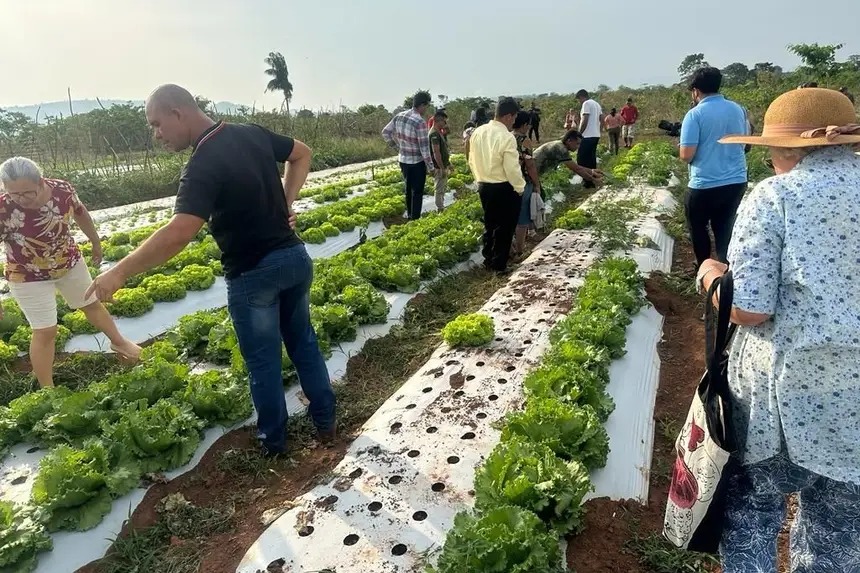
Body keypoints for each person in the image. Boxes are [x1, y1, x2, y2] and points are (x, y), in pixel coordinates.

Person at [85, 84, 336, 457]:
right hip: (294, 259)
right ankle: (327, 424)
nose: (156, 135)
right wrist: (284, 204)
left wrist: (119, 272)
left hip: (255, 274)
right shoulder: (251, 133)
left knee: (263, 363)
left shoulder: (202, 163)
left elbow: (179, 232)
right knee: (303, 343)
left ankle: (274, 445)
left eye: (157, 124)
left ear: (178, 113)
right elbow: (302, 153)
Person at [697, 87, 860, 573]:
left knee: (754, 509)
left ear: (788, 150)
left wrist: (711, 277)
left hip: (786, 393)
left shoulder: (776, 196)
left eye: (770, 150)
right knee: (840, 531)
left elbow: (749, 308)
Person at [0, 158, 141, 387]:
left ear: (41, 182)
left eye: (27, 193)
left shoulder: (62, 190)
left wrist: (95, 241)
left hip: (68, 262)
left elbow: (81, 213)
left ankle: (119, 342)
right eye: (14, 193)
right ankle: (48, 389)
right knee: (45, 330)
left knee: (91, 303)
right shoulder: (3, 208)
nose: (21, 199)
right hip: (27, 274)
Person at [679, 67, 748, 268]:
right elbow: (744, 144)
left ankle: (705, 270)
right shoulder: (738, 109)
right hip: (736, 181)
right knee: (725, 227)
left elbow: (686, 155)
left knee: (698, 227)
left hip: (705, 183)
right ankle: (727, 271)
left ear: (696, 91)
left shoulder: (695, 114)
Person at [468, 97, 527, 274]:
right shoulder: (506, 137)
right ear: (508, 116)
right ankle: (499, 265)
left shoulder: (478, 132)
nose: (514, 121)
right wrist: (519, 188)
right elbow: (512, 168)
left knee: (490, 224)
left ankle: (489, 259)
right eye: (514, 117)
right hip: (504, 187)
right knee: (505, 227)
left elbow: (471, 160)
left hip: (484, 185)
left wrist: (478, 179)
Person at [382, 91, 435, 220]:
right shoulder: (419, 122)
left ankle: (410, 215)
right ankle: (415, 219)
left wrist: (396, 147)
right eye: (427, 106)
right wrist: (431, 167)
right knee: (417, 191)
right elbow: (424, 148)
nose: (426, 109)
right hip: (417, 162)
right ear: (422, 105)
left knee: (408, 189)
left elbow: (385, 132)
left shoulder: (399, 116)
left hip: (403, 160)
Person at [511, 111, 539, 258]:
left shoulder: (507, 137)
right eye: (528, 124)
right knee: (522, 217)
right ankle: (520, 250)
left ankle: (509, 248)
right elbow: (530, 165)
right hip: (521, 181)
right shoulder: (524, 140)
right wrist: (536, 184)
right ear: (524, 125)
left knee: (509, 216)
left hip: (505, 181)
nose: (529, 127)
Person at [533, 130, 604, 185]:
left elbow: (577, 167)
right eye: (577, 144)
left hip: (533, 172)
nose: (578, 147)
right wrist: (594, 179)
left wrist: (592, 171)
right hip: (531, 172)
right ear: (569, 141)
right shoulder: (561, 149)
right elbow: (576, 169)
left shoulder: (560, 145)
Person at [576, 90, 603, 189]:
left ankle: (587, 181)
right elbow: (602, 119)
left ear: (582, 97)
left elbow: (585, 119)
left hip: (587, 136)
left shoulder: (586, 104)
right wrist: (599, 131)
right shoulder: (597, 104)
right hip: (595, 135)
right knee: (591, 158)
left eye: (579, 99)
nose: (579, 102)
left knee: (581, 159)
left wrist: (579, 134)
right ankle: (593, 179)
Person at [428, 110, 451, 213]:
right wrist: (442, 168)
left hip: (443, 165)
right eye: (444, 121)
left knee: (442, 188)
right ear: (439, 121)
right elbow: (436, 152)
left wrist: (448, 163)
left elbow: (443, 150)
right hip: (438, 167)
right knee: (439, 189)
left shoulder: (438, 132)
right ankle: (440, 209)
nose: (445, 124)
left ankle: (441, 206)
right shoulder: (434, 134)